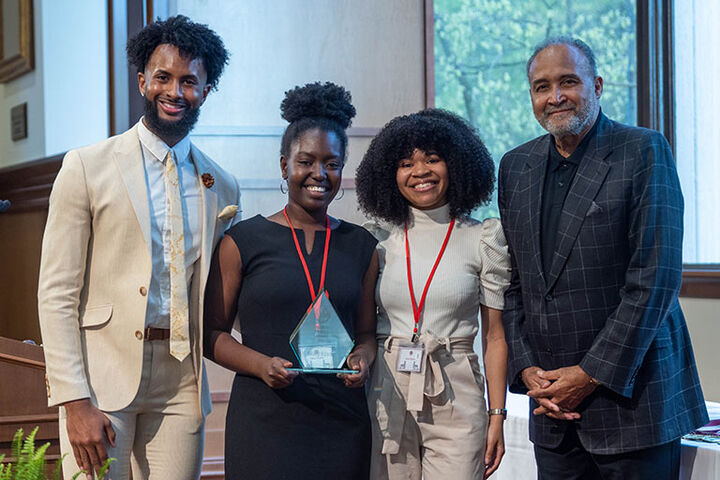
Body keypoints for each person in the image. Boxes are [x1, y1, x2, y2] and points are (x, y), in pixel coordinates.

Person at [37, 15, 238, 480]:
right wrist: (74, 400)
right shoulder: (86, 166)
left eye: (190, 81)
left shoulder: (221, 186)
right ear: (143, 80)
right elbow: (57, 293)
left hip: (181, 383)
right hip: (101, 376)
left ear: (205, 90)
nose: (175, 91)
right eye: (163, 77)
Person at [498, 36, 708, 479]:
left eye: (568, 82)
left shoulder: (643, 151)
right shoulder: (515, 167)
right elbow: (515, 283)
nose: (555, 97)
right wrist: (528, 369)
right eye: (541, 86)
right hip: (552, 412)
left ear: (596, 85)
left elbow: (655, 279)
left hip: (633, 407)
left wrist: (589, 375)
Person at [203, 82, 378, 480]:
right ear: (284, 166)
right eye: (306, 161)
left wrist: (363, 359)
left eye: (331, 163)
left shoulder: (362, 245)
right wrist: (262, 364)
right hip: (265, 420)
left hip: (342, 423)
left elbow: (367, 334)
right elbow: (211, 334)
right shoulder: (242, 241)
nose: (319, 174)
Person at [355, 108, 511, 479]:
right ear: (390, 174)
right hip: (386, 390)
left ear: (456, 165)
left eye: (432, 159)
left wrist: (497, 415)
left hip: (455, 390)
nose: (419, 172)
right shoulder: (378, 239)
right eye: (406, 163)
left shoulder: (483, 237)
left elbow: (494, 337)